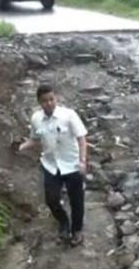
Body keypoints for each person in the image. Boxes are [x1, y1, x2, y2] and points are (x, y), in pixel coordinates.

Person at [17, 84, 88, 246]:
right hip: (50, 165)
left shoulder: (69, 115)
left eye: (51, 99)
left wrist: (83, 161)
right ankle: (64, 223)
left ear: (56, 98)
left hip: (72, 164)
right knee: (51, 200)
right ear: (39, 102)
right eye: (44, 101)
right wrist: (22, 147)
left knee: (76, 200)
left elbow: (82, 139)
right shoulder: (36, 119)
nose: (49, 103)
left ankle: (77, 230)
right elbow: (34, 139)